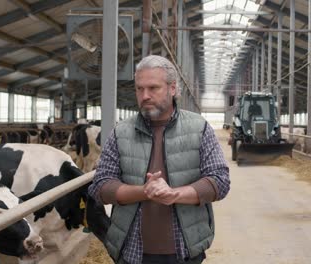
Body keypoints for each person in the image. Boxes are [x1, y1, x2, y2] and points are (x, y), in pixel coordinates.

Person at [88, 55, 230, 264]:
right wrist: (143, 191)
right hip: (131, 252)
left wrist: (174, 194)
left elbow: (220, 180)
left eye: (153, 88)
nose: (145, 95)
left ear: (172, 89)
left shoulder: (199, 128)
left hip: (185, 250)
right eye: (139, 88)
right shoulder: (120, 132)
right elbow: (99, 186)